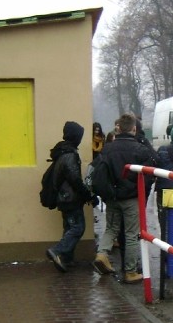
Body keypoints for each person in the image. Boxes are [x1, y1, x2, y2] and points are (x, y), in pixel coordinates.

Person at [92, 112, 160, 284]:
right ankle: (130, 271)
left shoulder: (108, 148)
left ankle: (102, 254)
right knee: (131, 234)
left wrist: (109, 193)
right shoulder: (140, 149)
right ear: (134, 129)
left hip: (113, 197)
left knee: (111, 229)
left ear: (119, 128)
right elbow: (150, 172)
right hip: (131, 198)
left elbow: (100, 173)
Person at [46, 121, 92, 272]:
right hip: (70, 199)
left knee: (69, 228)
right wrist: (88, 195)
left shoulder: (62, 153)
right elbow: (75, 180)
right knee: (78, 227)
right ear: (75, 137)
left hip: (64, 198)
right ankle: (57, 251)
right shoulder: (70, 155)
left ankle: (67, 259)